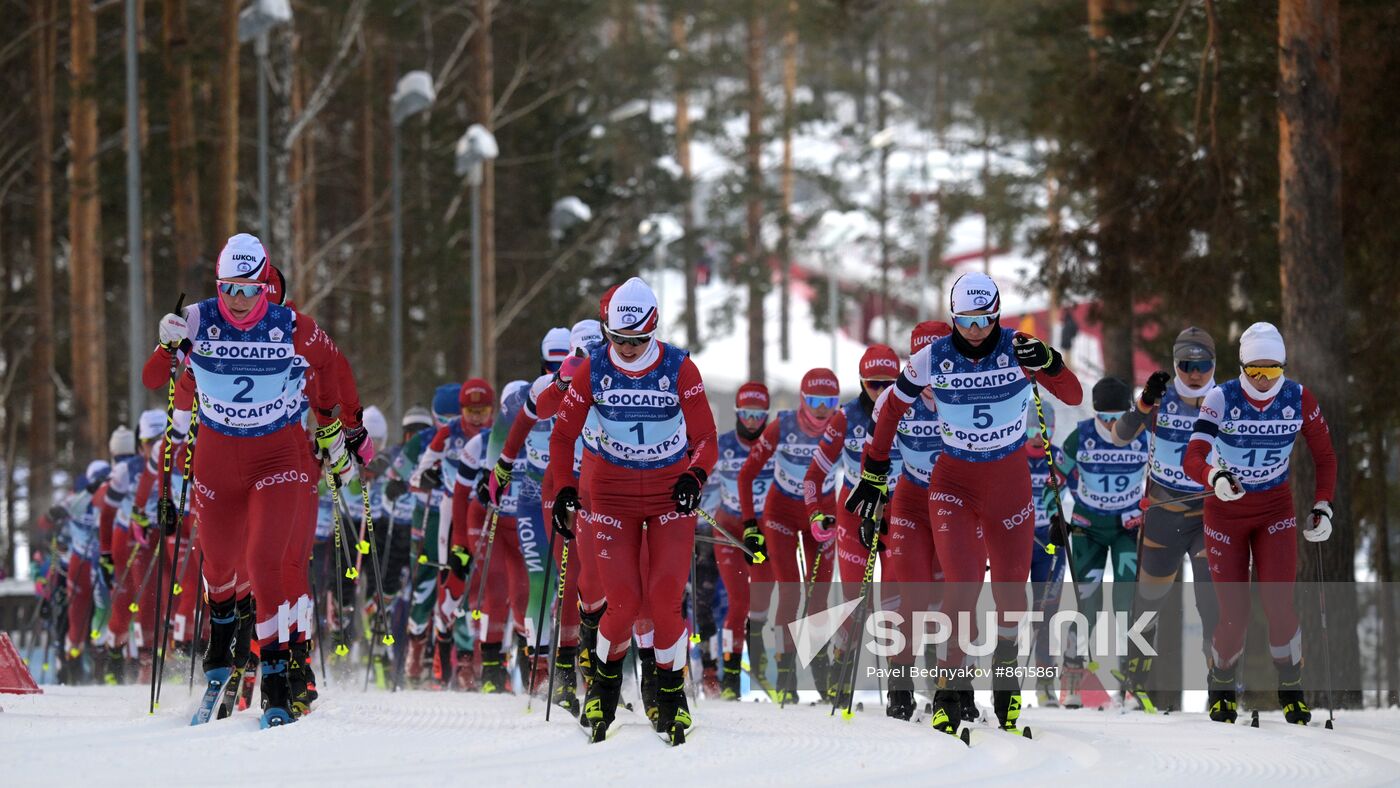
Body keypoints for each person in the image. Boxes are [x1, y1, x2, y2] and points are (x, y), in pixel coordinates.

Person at [848, 272, 1082, 736]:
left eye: (985, 320)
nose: (976, 331)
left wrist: (1052, 362)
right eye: (967, 321)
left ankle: (1006, 686)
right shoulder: (932, 358)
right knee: (962, 587)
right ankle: (949, 691)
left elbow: (1073, 394)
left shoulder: (1019, 347)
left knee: (1012, 592)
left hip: (1010, 483)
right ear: (954, 318)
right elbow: (891, 408)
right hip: (953, 482)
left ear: (998, 314)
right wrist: (875, 473)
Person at [153, 233, 368, 728]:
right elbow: (173, 388)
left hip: (286, 458)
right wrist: (167, 348)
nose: (243, 301)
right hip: (221, 462)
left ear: (270, 288)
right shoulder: (202, 325)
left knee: (278, 563)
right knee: (226, 565)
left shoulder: (291, 331)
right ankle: (226, 652)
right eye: (231, 290)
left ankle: (289, 672)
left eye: (254, 290)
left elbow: (331, 379)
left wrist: (342, 431)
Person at [545, 276, 717, 744]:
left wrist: (693, 476)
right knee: (620, 604)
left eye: (635, 340)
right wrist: (564, 488)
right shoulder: (593, 368)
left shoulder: (680, 368)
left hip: (667, 495)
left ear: (653, 331)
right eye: (616, 338)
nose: (624, 348)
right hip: (611, 496)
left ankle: (671, 697)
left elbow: (705, 439)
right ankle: (603, 688)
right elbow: (562, 437)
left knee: (663, 601)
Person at [1184, 322, 1335, 725]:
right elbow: (1193, 454)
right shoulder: (1221, 397)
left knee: (1279, 606)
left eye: (1273, 370)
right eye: (1256, 372)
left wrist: (1324, 506)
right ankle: (1221, 686)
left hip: (1274, 510)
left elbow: (1325, 457)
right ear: (1242, 368)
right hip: (1226, 513)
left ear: (1284, 366)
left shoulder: (1298, 397)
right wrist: (1213, 476)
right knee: (1233, 613)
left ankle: (1291, 688)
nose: (1265, 381)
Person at [1109, 327, 1222, 708]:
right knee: (1148, 604)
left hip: (1210, 516)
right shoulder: (1161, 398)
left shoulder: (1226, 399)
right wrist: (1143, 405)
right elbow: (1119, 437)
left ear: (1214, 365)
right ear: (1175, 365)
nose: (1194, 373)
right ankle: (1133, 684)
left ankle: (1220, 687)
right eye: (1186, 365)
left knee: (1213, 603)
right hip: (1162, 514)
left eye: (1202, 365)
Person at [737, 367, 840, 702]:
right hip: (780, 513)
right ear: (802, 399)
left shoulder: (843, 426)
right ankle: (785, 672)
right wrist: (750, 524)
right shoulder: (784, 425)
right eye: (814, 401)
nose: (822, 409)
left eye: (829, 401)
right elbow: (746, 475)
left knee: (821, 598)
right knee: (791, 593)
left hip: (822, 516)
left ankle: (822, 670)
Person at [1054, 377, 1148, 706]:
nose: (1110, 425)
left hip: (1126, 529)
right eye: (1104, 418)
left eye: (1117, 418)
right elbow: (1058, 477)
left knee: (1128, 604)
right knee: (1087, 606)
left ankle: (1133, 681)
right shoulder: (1081, 436)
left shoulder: (1142, 435)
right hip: (1088, 530)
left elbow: (1160, 475)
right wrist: (1055, 515)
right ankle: (1073, 678)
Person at [874, 321, 949, 719]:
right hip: (911, 501)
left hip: (957, 502)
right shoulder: (895, 397)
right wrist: (877, 500)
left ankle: (951, 686)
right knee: (915, 597)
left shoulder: (969, 393)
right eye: (921, 362)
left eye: (936, 360)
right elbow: (878, 451)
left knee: (956, 597)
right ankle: (899, 683)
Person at [704, 382, 774, 699]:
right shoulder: (723, 446)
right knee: (738, 602)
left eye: (758, 415)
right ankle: (730, 676)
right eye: (746, 414)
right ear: (736, 413)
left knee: (761, 603)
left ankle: (759, 660)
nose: (751, 421)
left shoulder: (775, 445)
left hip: (765, 530)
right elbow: (705, 484)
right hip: (730, 529)